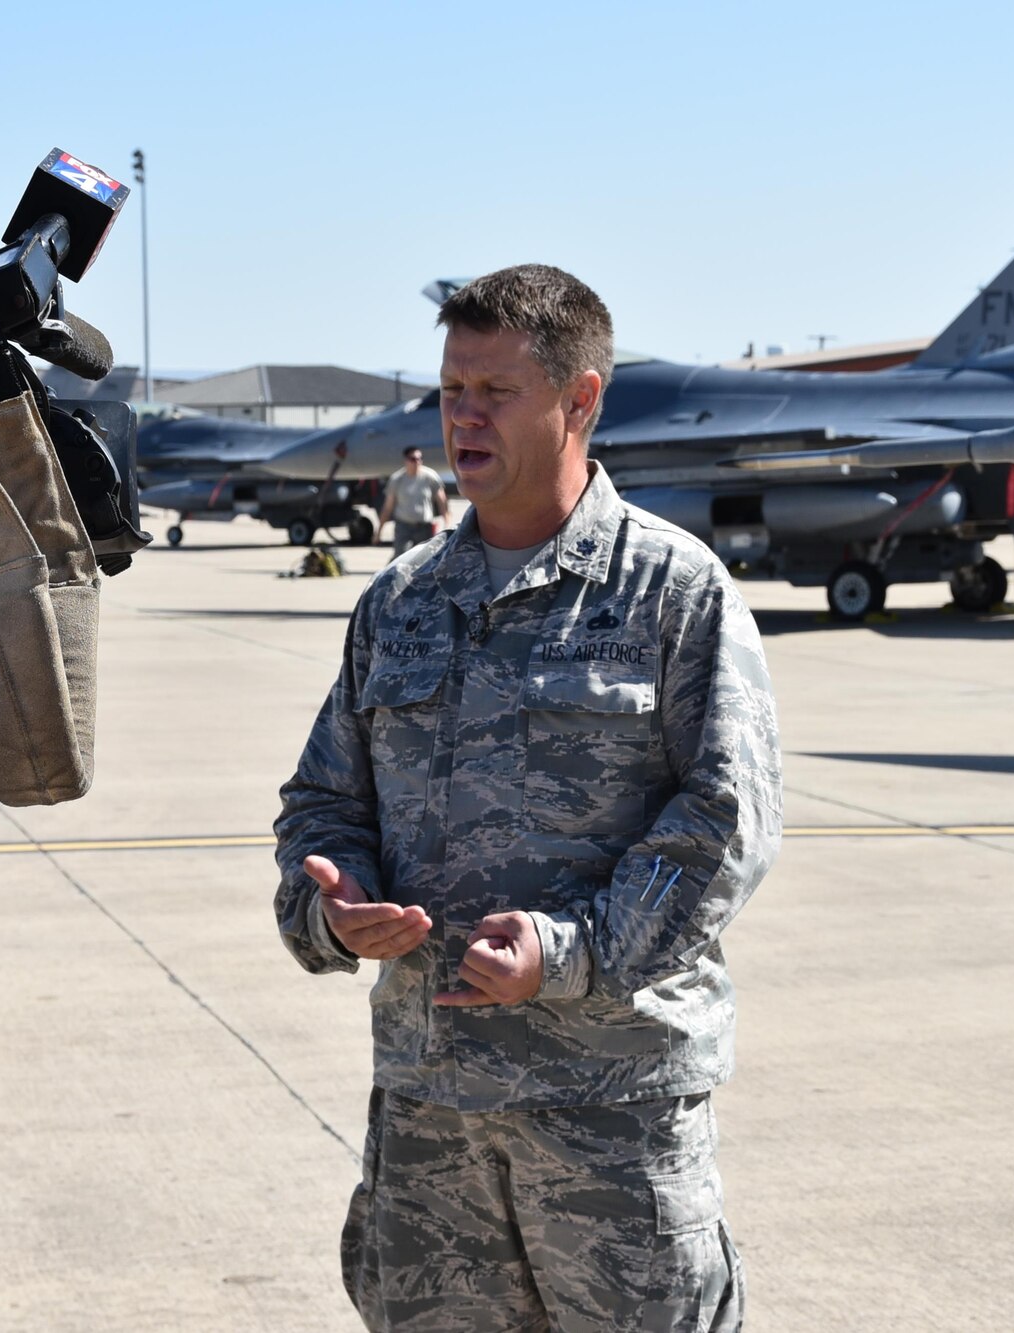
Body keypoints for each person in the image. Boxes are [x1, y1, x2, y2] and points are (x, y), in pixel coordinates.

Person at [274, 264, 782, 1332]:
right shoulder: (400, 602)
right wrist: (331, 907)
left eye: (495, 390)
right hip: (430, 1117)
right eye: (451, 388)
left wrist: (567, 952)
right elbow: (322, 803)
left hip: (608, 1115)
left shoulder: (667, 590)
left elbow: (724, 823)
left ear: (579, 401)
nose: (463, 413)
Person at [378, 444, 449, 554]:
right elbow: (388, 507)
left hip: (424, 527)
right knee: (400, 557)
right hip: (404, 526)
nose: (417, 462)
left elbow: (442, 503)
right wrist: (379, 531)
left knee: (424, 560)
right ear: (405, 460)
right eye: (413, 459)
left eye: (420, 459)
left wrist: (446, 525)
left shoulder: (430, 477)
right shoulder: (397, 479)